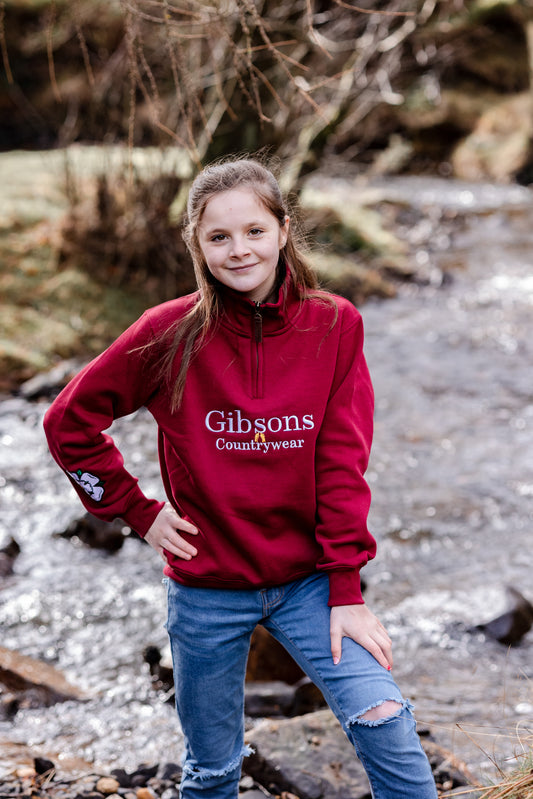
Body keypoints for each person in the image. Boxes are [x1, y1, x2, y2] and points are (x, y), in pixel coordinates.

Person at [44, 157, 438, 799]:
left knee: (385, 719)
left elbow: (342, 461)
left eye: (254, 230)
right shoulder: (167, 333)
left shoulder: (335, 323)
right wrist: (138, 512)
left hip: (311, 581)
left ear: (283, 230)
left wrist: (347, 587)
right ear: (197, 245)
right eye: (219, 237)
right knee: (213, 769)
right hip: (207, 587)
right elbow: (68, 422)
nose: (239, 250)